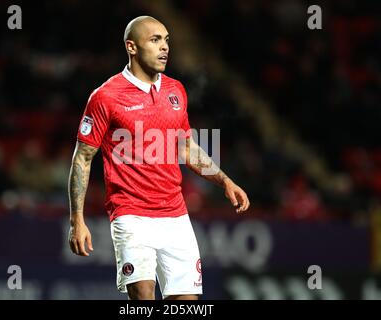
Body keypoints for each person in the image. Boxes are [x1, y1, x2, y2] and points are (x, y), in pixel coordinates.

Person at [68, 16, 250, 300]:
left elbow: (186, 147)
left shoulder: (175, 90)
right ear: (132, 47)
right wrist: (76, 220)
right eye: (155, 40)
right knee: (143, 297)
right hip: (131, 214)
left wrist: (224, 180)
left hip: (175, 215)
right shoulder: (106, 97)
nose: (165, 47)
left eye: (166, 40)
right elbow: (83, 158)